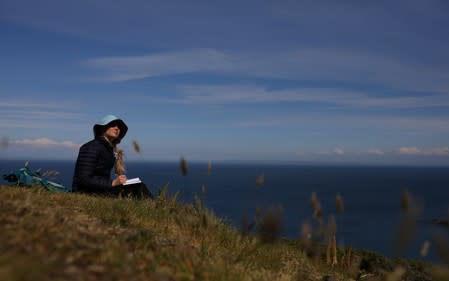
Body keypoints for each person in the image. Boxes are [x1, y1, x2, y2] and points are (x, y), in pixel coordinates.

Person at [72, 114, 152, 199]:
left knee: (137, 185)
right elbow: (83, 179)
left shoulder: (108, 149)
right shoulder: (92, 147)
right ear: (103, 128)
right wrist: (112, 183)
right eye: (112, 125)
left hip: (98, 190)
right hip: (86, 193)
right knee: (138, 188)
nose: (117, 128)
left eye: (119, 127)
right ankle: (156, 208)